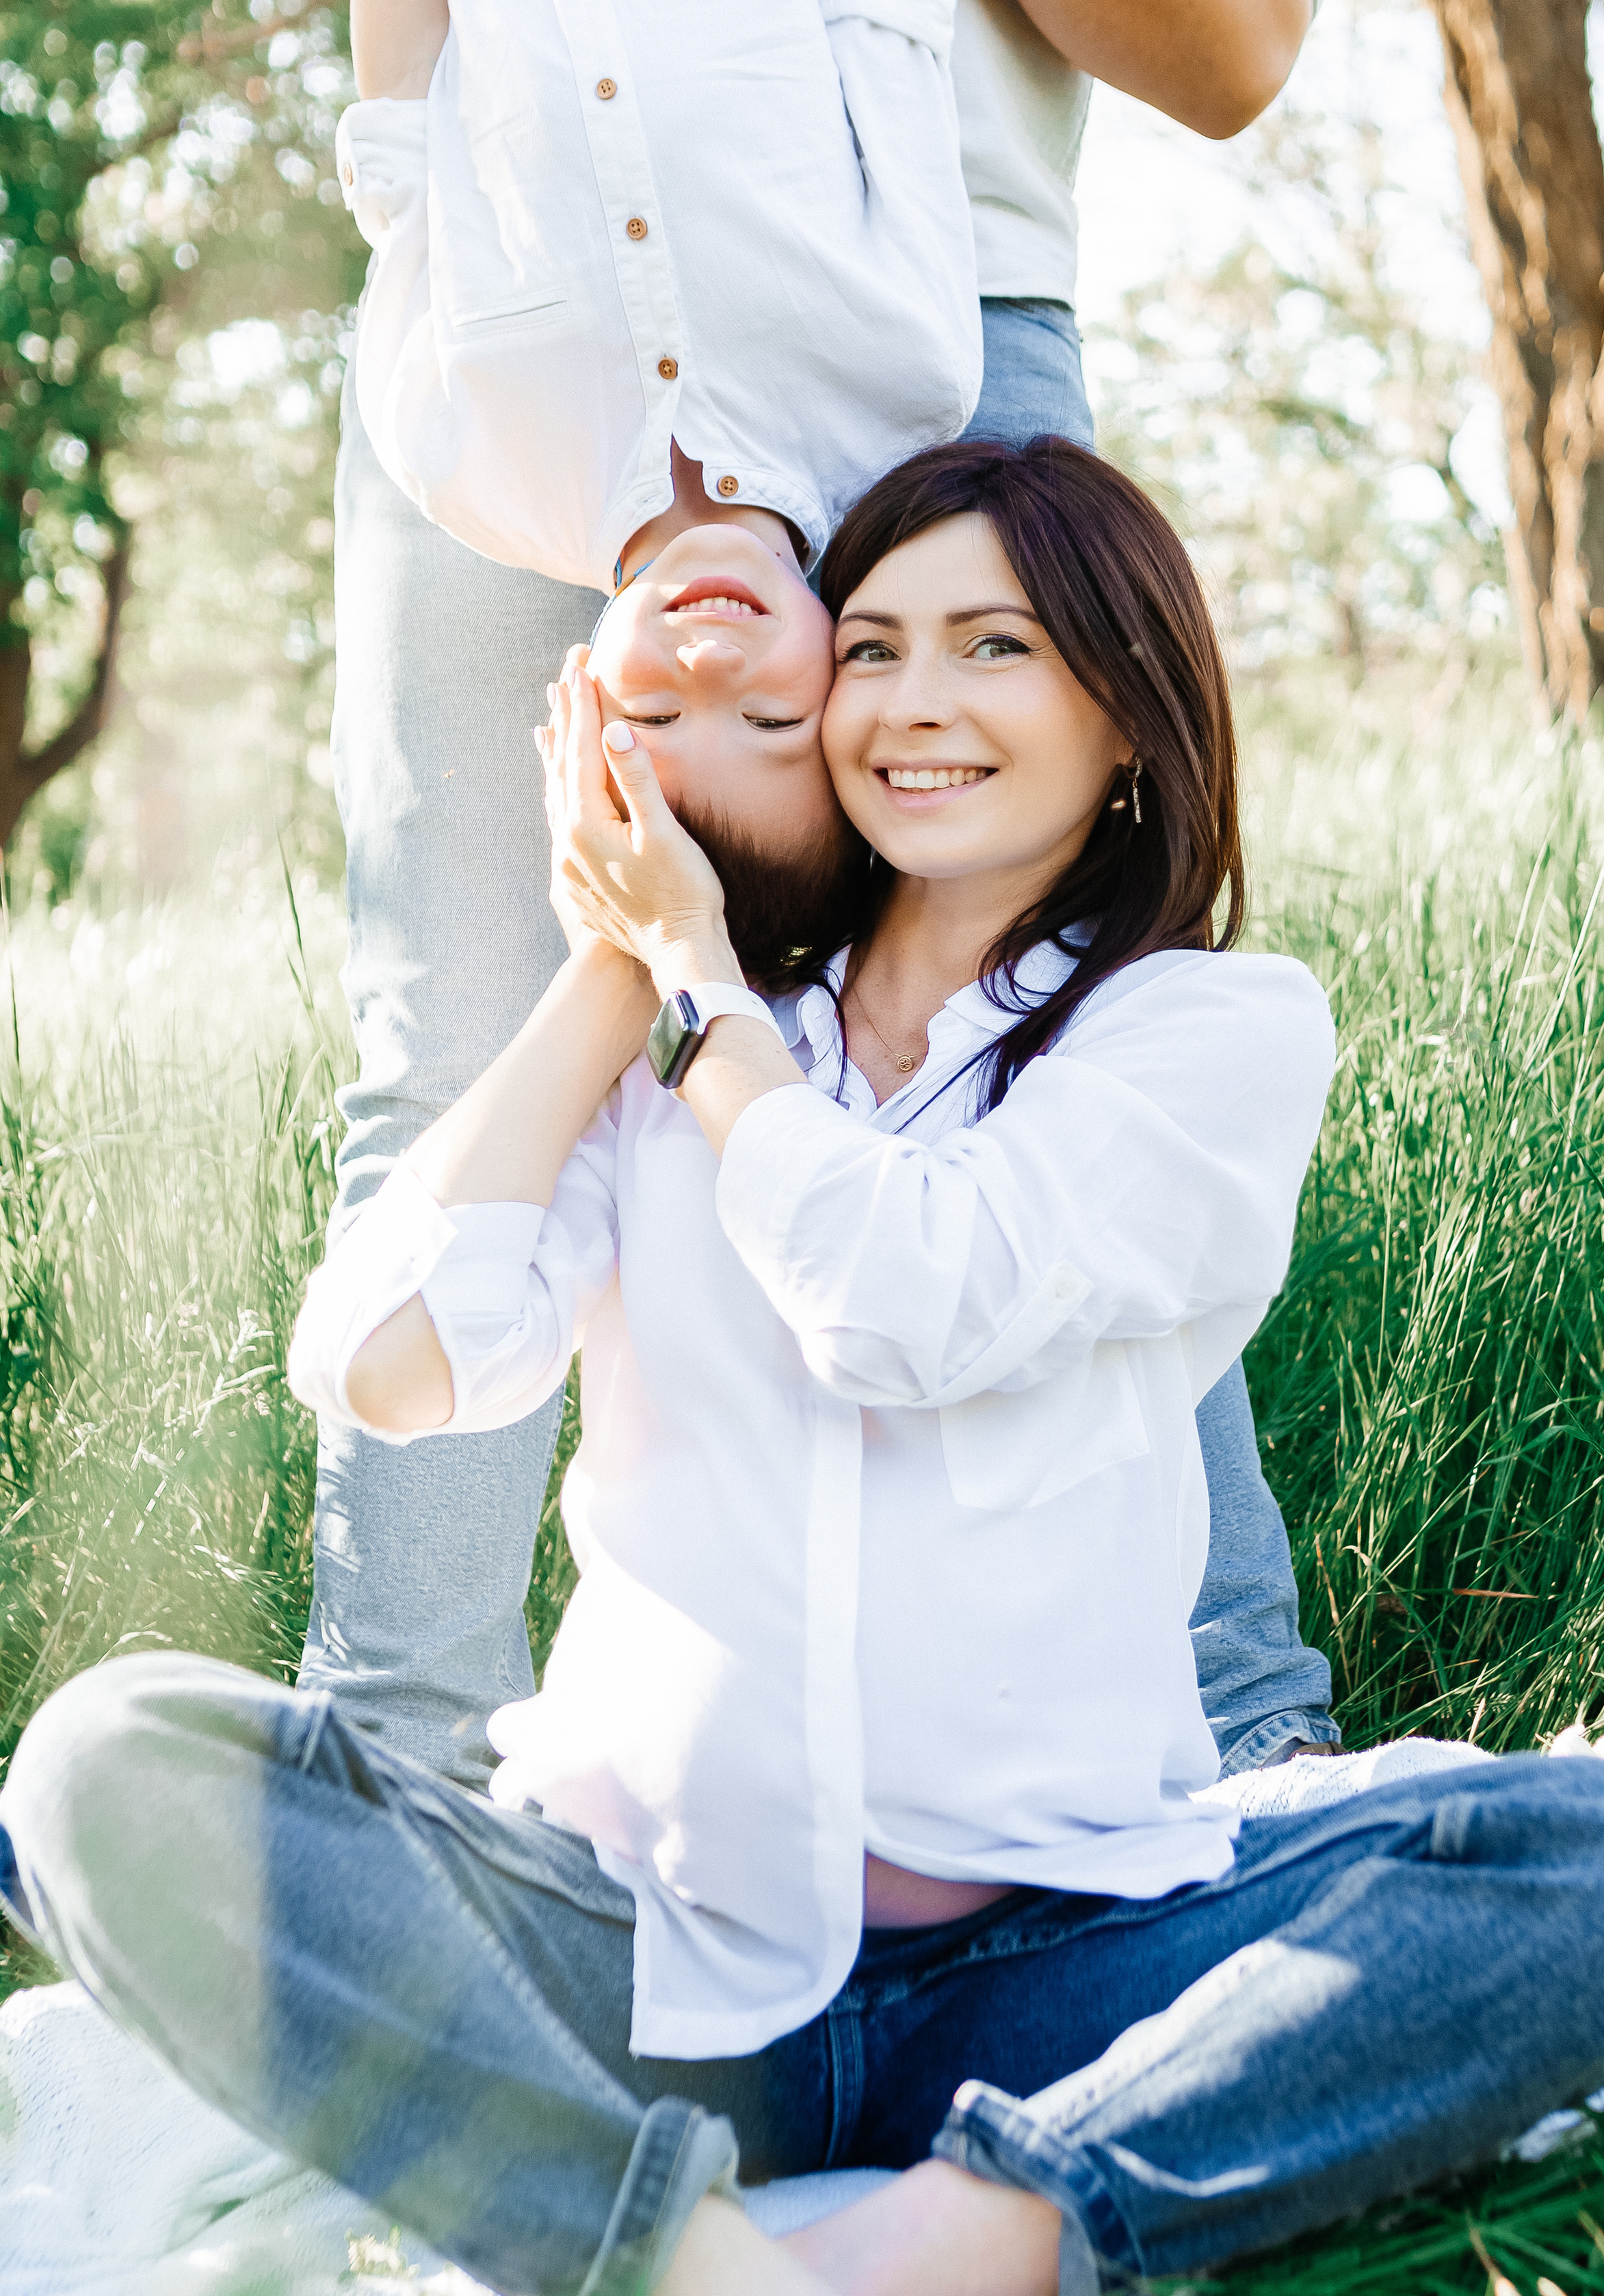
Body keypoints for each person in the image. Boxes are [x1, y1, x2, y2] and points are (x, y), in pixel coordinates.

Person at [3, 443, 1604, 2296]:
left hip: (1054, 1965)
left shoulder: (1202, 1039)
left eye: (994, 647)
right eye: (876, 650)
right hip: (651, 1954)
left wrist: (707, 1002)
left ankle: (874, 2265)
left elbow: (907, 1301)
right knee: (105, 1764)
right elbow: (380, 1368)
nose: (916, 702)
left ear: (1124, 715)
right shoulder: (686, 1048)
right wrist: (616, 955)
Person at [304, 0, 1339, 1801]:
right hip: (513, 285)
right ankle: (394, 1776)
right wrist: (403, 165)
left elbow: (1233, 56)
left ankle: (1231, 1757)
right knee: (469, 1035)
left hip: (905, 290)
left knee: (1038, 1021)